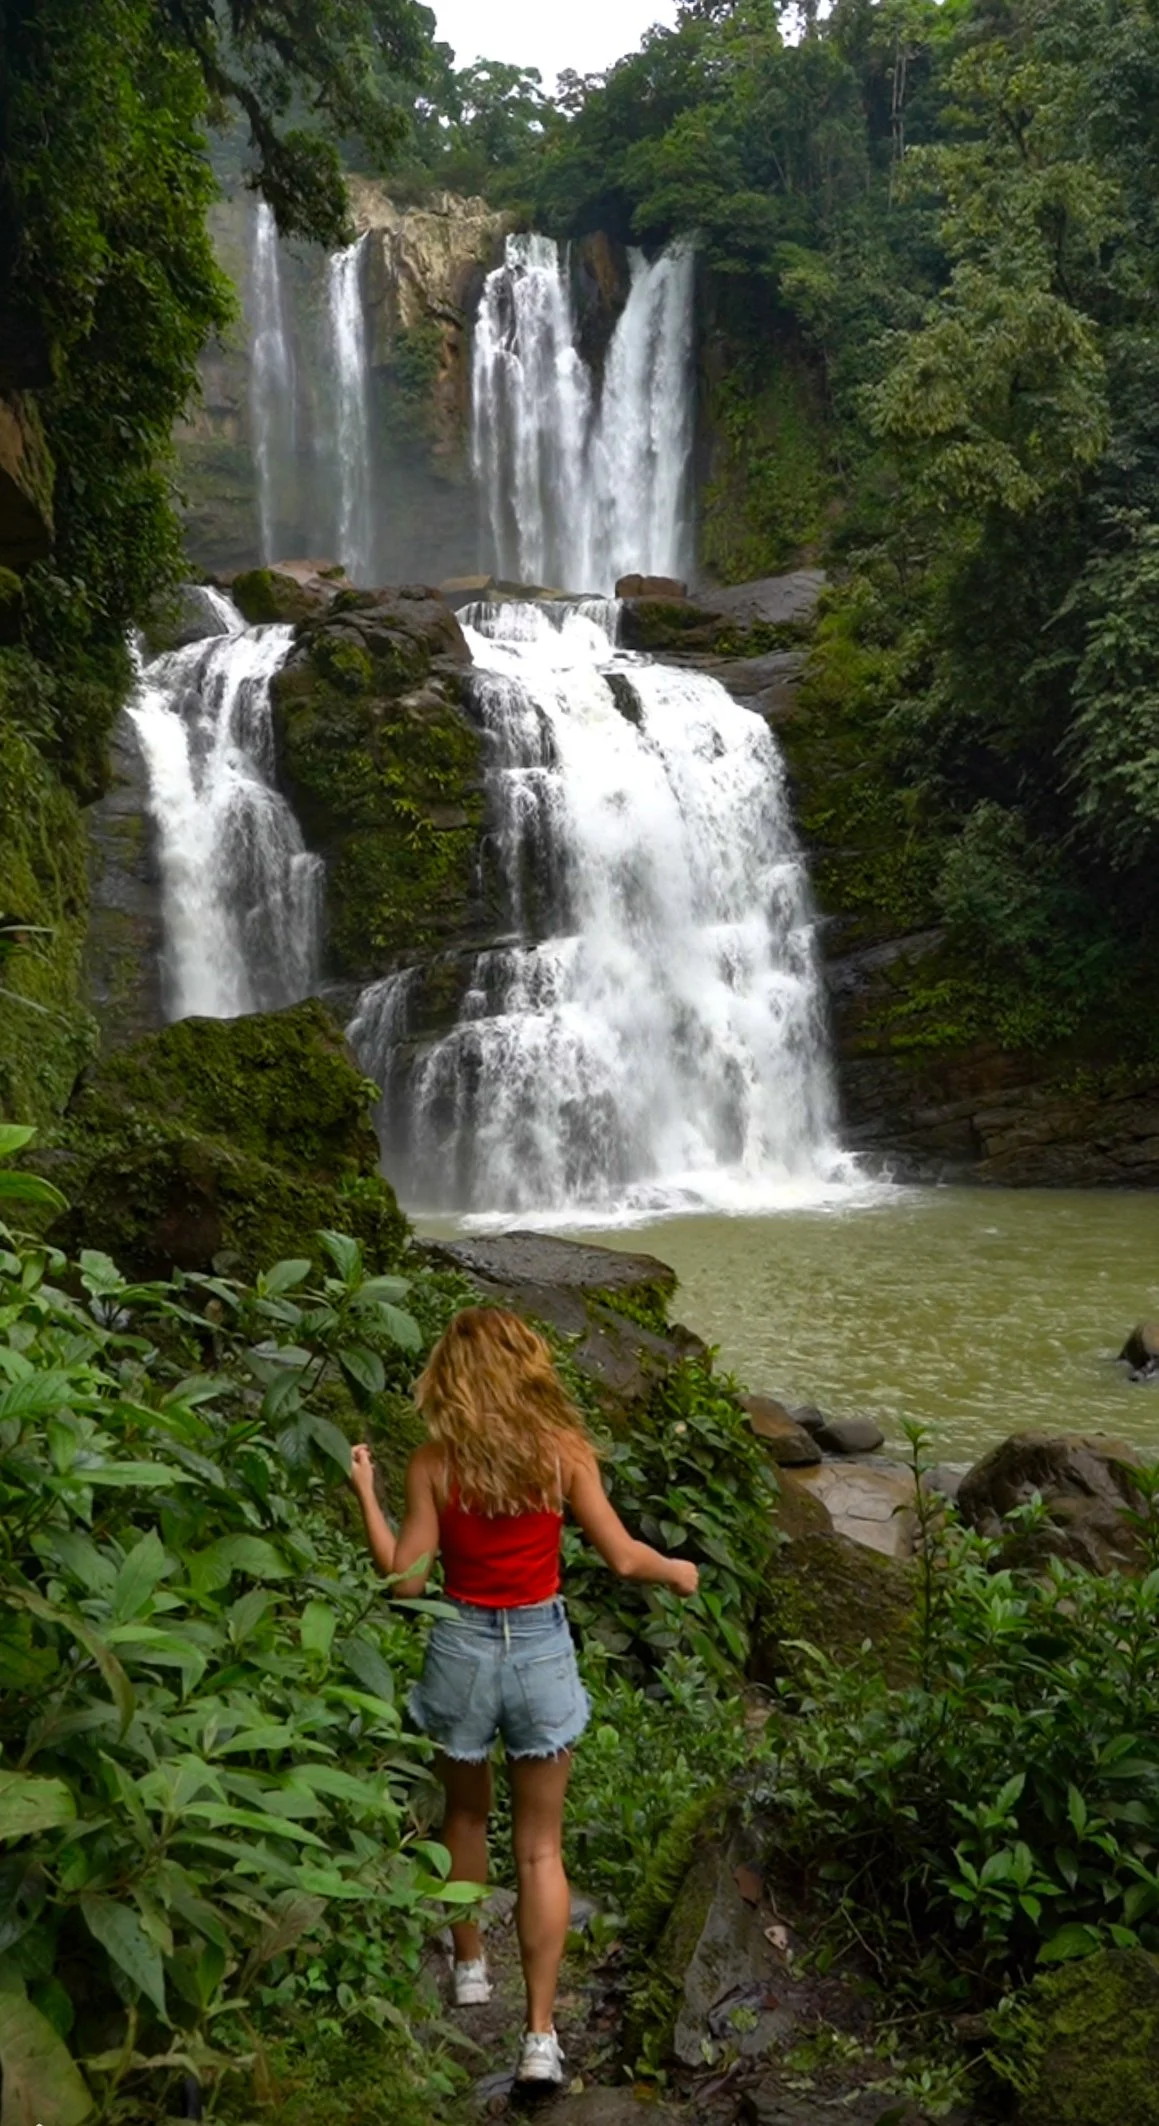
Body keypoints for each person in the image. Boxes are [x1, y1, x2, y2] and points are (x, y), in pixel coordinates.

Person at [349, 1305, 699, 2091]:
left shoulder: (433, 1463)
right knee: (540, 1847)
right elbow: (621, 1556)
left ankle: (470, 1965)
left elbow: (405, 1582)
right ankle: (539, 2038)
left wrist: (365, 1493)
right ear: (527, 1369)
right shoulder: (562, 1453)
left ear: (449, 1377)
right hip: (539, 1649)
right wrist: (677, 1570)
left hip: (460, 1649)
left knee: (463, 1816)